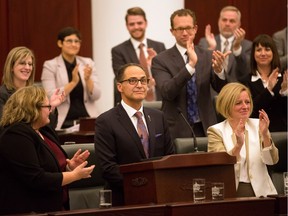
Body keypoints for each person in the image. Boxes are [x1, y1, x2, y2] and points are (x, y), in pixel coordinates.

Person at [0, 85, 95, 215]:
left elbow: (50, 169)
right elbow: (36, 178)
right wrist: (74, 175)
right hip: (30, 211)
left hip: (55, 208)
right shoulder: (15, 134)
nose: (50, 110)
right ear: (33, 108)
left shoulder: (43, 131)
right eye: (47, 107)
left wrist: (69, 168)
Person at [94, 63, 174, 206]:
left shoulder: (158, 117)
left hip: (159, 198)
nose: (139, 85)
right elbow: (108, 168)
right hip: (124, 199)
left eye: (143, 80)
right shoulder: (106, 121)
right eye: (132, 81)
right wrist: (142, 186)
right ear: (120, 87)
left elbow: (169, 157)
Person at [151, 9, 228, 140]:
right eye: (180, 29)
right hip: (177, 129)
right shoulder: (160, 60)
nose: (185, 33)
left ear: (195, 28)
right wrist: (190, 66)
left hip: (206, 127)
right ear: (172, 31)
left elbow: (222, 89)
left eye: (188, 28)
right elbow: (167, 91)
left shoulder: (207, 55)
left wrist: (219, 71)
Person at [207, 82, 279, 197]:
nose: (245, 107)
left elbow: (271, 161)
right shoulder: (216, 131)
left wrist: (265, 134)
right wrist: (238, 145)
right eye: (238, 103)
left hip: (263, 192)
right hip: (233, 191)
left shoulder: (258, 125)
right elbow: (220, 166)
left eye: (247, 102)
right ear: (227, 105)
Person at [41, 27, 101, 130]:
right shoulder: (50, 65)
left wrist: (87, 80)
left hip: (88, 119)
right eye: (69, 41)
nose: (74, 44)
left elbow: (96, 95)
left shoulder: (88, 63)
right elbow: (51, 96)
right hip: (63, 121)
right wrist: (73, 83)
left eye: (77, 41)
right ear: (60, 43)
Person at [112, 7, 166, 105]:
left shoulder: (159, 46)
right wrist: (147, 82)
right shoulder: (118, 51)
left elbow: (168, 77)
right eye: (132, 24)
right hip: (132, 104)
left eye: (139, 23)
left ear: (146, 23)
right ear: (127, 26)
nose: (136, 27)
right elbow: (121, 78)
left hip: (160, 102)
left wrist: (155, 66)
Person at [0, 46, 64, 128]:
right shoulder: (2, 94)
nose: (27, 67)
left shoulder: (37, 93)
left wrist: (51, 107)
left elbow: (50, 128)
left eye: (30, 64)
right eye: (22, 63)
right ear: (11, 67)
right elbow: (4, 126)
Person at [240, 34, 287, 132]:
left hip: (282, 133)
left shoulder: (284, 78)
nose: (263, 53)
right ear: (253, 54)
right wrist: (268, 90)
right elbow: (249, 111)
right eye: (258, 50)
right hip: (255, 132)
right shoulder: (245, 81)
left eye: (267, 49)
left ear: (273, 52)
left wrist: (284, 91)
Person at [198, 6, 252, 82]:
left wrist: (237, 49)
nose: (227, 24)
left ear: (239, 24)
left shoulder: (248, 46)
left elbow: (246, 71)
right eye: (224, 20)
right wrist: (211, 49)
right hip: (212, 92)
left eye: (232, 21)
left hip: (236, 91)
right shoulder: (205, 42)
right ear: (218, 21)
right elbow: (200, 69)